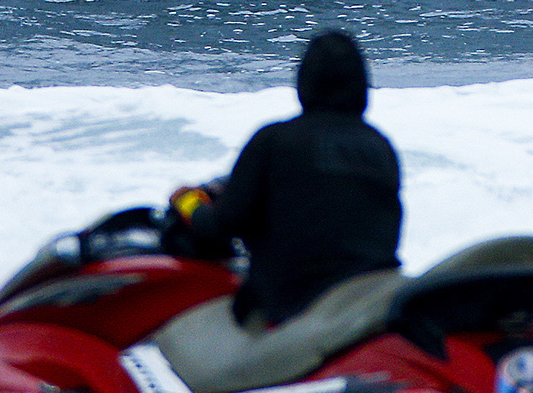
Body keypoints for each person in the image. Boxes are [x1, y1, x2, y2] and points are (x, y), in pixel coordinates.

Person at [168, 30, 402, 328]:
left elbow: (219, 228)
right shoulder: (380, 149)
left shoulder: (275, 141)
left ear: (305, 83)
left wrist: (186, 201)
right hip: (369, 305)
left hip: (292, 311)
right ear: (361, 87)